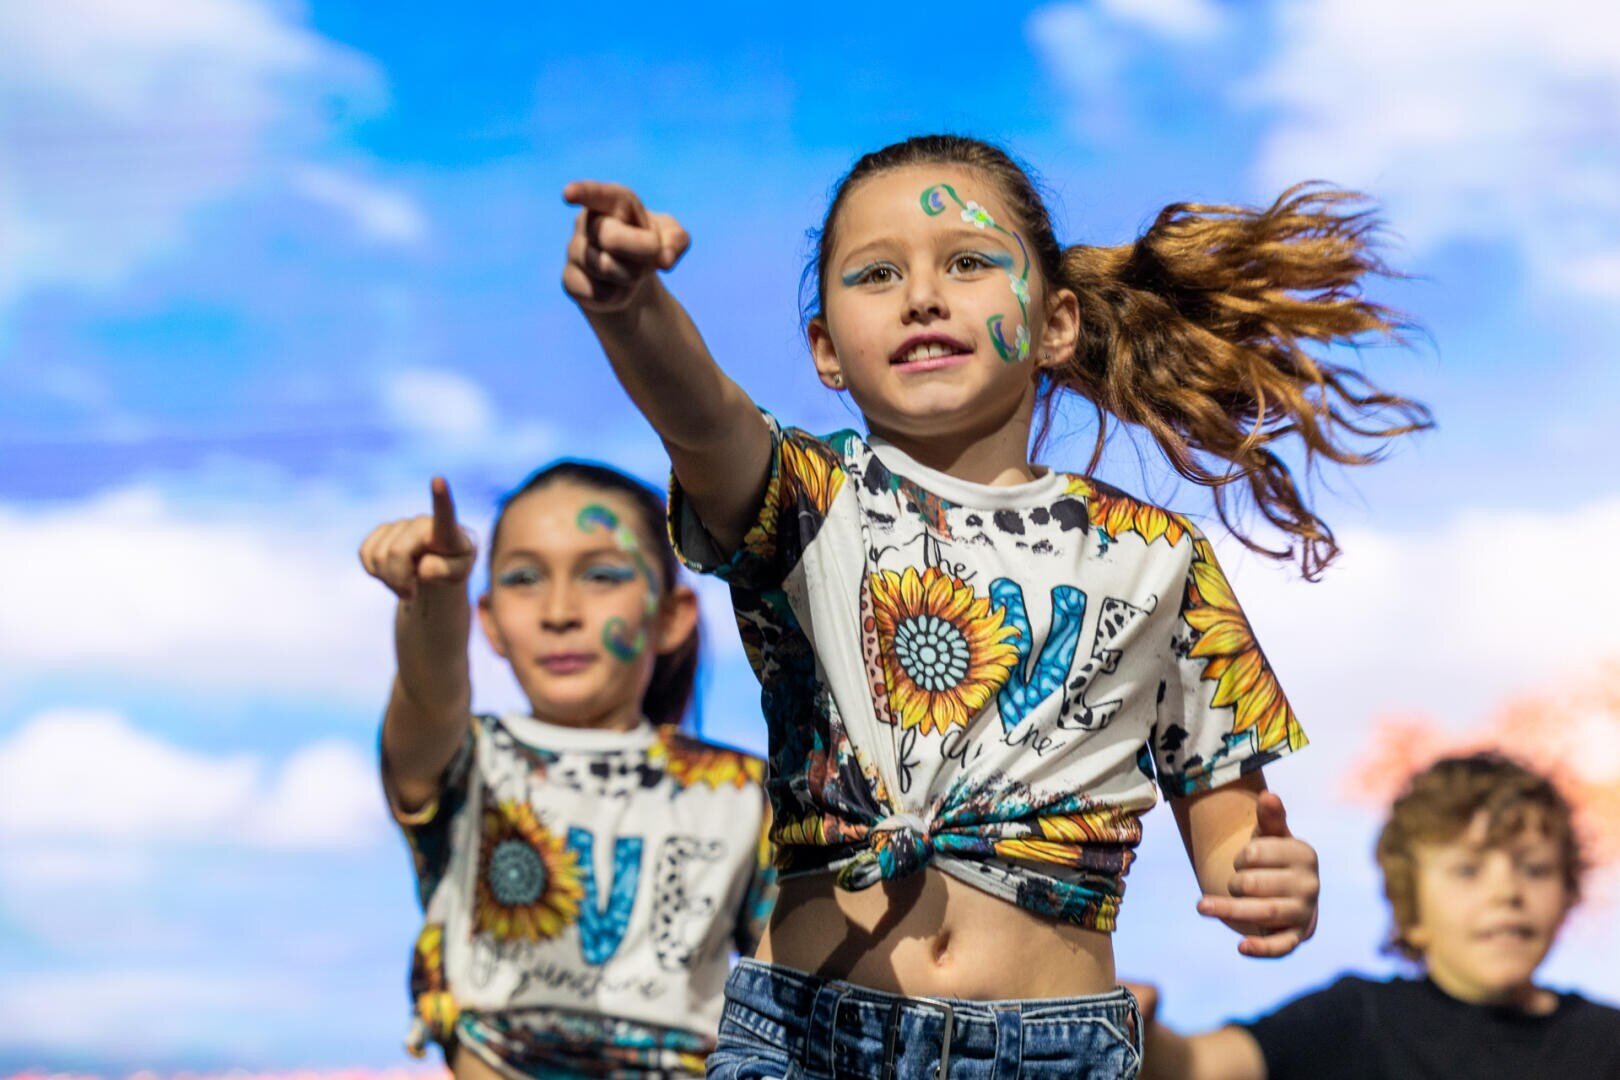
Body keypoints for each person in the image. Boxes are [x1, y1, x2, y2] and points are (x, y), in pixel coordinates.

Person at [561, 133, 1428, 1078]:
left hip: (1057, 1053)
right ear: (826, 352)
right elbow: (698, 413)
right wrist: (632, 307)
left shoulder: (1157, 558)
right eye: (876, 274)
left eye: (968, 263)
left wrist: (1261, 877)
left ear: (1055, 325)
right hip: (808, 1043)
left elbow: (1226, 813)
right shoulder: (804, 501)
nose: (922, 295)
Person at [360, 462, 776, 1078]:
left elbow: (791, 985)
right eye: (524, 578)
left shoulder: (745, 794)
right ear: (489, 622)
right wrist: (435, 596)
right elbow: (430, 692)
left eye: (602, 575)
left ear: (672, 615)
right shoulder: (465, 763)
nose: (559, 610)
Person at [1133, 752, 1620, 1079]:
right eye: (1468, 870)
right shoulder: (1356, 1018)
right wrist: (1141, 1032)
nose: (1507, 892)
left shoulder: (1606, 1041)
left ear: (1569, 893)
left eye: (1534, 868)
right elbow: (1201, 1065)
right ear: (1409, 907)